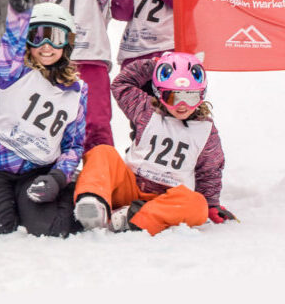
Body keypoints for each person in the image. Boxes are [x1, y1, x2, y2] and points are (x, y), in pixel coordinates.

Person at [0, 0, 87, 238]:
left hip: (37, 172)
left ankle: (71, 194)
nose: (46, 46)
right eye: (38, 37)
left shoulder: (76, 92)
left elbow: (73, 145)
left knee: (48, 229)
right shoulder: (15, 71)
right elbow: (10, 44)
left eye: (55, 38)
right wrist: (19, 11)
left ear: (67, 44)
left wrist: (58, 178)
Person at [74, 52, 233, 235]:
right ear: (159, 93)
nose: (182, 105)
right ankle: (93, 201)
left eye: (190, 98)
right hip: (131, 185)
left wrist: (211, 204)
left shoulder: (205, 130)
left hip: (168, 199)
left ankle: (134, 218)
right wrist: (153, 66)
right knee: (102, 151)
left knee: (197, 205)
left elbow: (209, 171)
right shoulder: (147, 110)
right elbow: (121, 84)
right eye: (173, 97)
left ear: (201, 95)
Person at [32, 0, 127, 149]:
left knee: (96, 121)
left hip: (91, 61)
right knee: (53, 119)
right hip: (54, 62)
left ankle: (101, 169)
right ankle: (56, 170)